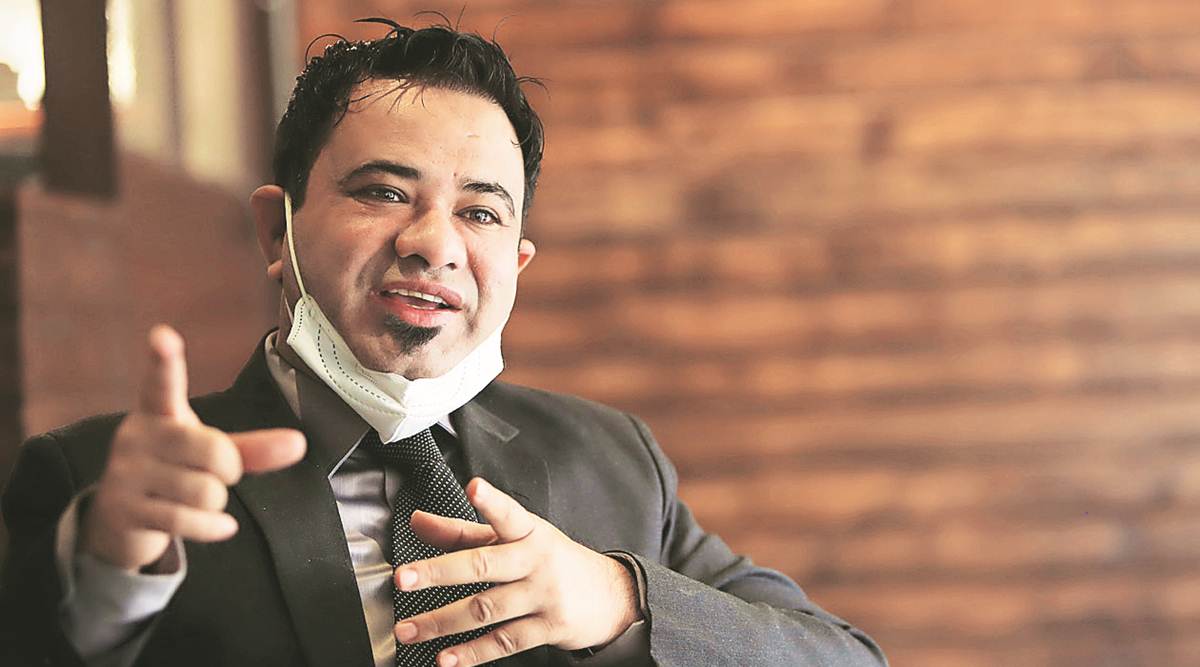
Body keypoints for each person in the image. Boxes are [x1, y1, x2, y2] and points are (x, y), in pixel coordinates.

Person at [0, 19, 887, 667]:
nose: (435, 243)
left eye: (481, 212)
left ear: (516, 264)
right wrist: (110, 564)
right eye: (383, 192)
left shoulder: (615, 459)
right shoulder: (107, 483)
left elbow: (842, 655)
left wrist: (618, 596)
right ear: (277, 229)